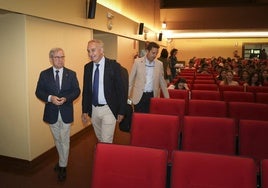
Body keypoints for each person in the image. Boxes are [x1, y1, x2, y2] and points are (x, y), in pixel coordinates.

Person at [35, 48, 80, 181]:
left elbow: (77, 91)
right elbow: (38, 92)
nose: (60, 60)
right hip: (51, 112)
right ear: (51, 59)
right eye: (57, 57)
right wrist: (50, 98)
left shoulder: (71, 74)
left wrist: (66, 98)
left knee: (64, 139)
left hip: (66, 111)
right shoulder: (44, 74)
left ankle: (63, 166)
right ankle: (62, 160)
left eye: (62, 57)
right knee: (57, 139)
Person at [81, 39, 126, 143]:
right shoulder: (87, 68)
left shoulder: (114, 66)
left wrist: (121, 110)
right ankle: (105, 155)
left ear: (101, 50)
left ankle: (106, 157)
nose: (90, 54)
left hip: (109, 109)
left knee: (106, 140)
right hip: (94, 110)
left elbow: (121, 90)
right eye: (88, 51)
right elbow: (86, 91)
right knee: (100, 138)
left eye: (93, 50)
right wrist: (84, 110)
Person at [128, 41, 169, 113]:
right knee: (139, 119)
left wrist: (167, 98)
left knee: (150, 119)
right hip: (139, 96)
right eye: (153, 53)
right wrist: (127, 96)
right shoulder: (137, 62)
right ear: (147, 51)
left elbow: (162, 83)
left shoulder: (159, 64)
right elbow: (130, 81)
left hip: (152, 96)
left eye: (156, 53)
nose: (155, 55)